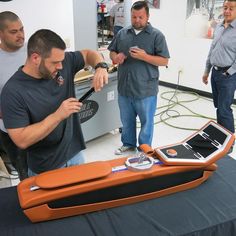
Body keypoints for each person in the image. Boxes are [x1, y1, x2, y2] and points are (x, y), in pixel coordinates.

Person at [1, 29, 109, 176]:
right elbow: (21, 139)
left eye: (61, 61)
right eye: (55, 62)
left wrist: (101, 67)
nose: (61, 66)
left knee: (82, 198)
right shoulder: (13, 92)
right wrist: (58, 115)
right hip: (45, 168)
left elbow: (88, 54)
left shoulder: (63, 62)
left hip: (75, 156)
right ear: (35, 58)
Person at [108, 1, 170, 155]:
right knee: (127, 121)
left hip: (145, 89)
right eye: (134, 17)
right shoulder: (122, 33)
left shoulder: (157, 36)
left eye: (140, 17)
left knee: (146, 122)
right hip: (124, 87)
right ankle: (128, 144)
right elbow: (112, 52)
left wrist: (145, 56)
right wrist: (116, 58)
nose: (137, 20)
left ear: (147, 16)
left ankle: (144, 148)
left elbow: (164, 61)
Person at [202, 0, 236, 153]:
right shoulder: (219, 27)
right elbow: (212, 50)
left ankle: (229, 144)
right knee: (218, 107)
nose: (227, 11)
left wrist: (228, 72)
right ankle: (221, 138)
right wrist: (206, 70)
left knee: (224, 109)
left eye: (231, 8)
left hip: (228, 75)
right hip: (215, 73)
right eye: (225, 8)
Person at [0, 11, 28, 180]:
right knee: (25, 175)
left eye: (22, 29)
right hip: (11, 130)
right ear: (1, 34)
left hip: (39, 125)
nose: (21, 35)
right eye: (14, 32)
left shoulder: (33, 50)